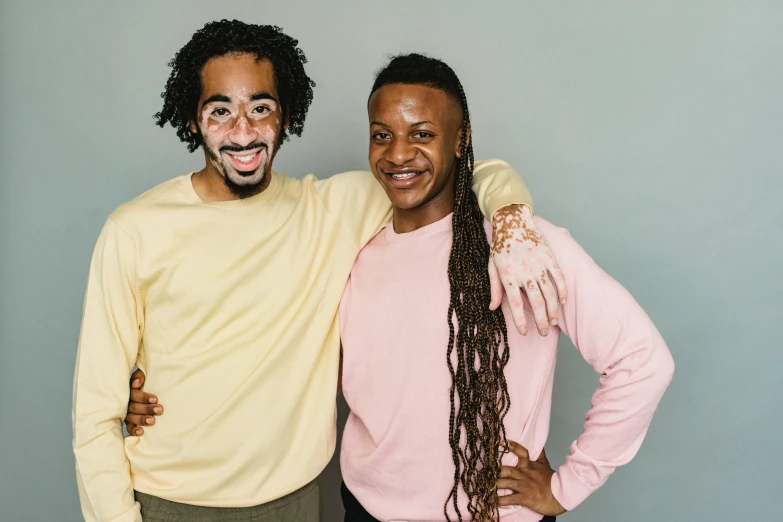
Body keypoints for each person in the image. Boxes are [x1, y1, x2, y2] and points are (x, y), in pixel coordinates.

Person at [128, 54, 674, 522]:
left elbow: (641, 361)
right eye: (382, 134)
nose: (398, 154)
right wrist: (161, 392)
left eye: (422, 134)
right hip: (364, 509)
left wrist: (566, 486)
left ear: (460, 140)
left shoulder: (522, 247)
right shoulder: (353, 246)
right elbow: (271, 341)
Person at [73, 21, 565, 522]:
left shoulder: (335, 206)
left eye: (260, 108)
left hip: (297, 503)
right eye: (220, 111)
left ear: (285, 115)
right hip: (169, 503)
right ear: (194, 120)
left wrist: (508, 214)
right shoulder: (134, 230)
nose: (242, 132)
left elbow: (451, 169)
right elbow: (94, 415)